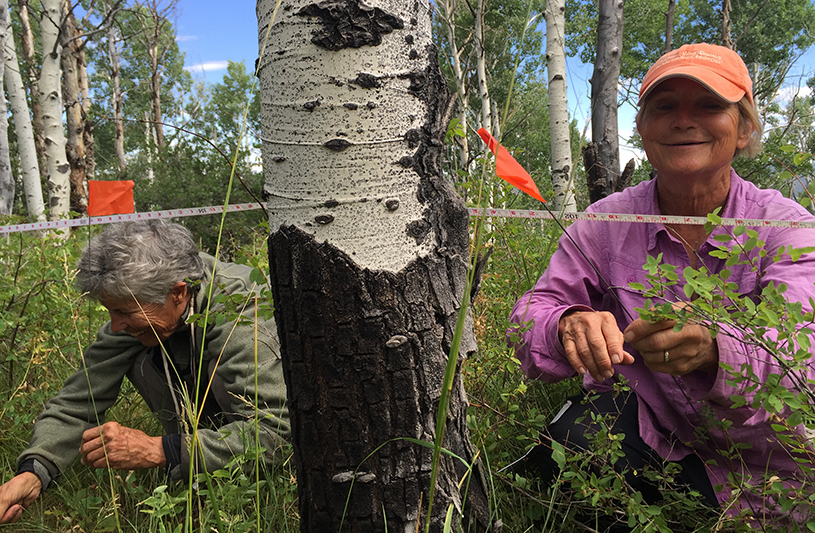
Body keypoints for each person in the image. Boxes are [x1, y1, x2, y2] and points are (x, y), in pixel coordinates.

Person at [508, 43, 815, 520]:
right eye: (665, 106)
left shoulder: (787, 227)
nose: (683, 120)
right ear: (644, 128)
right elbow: (532, 312)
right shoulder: (606, 222)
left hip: (777, 466)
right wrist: (568, 325)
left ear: (744, 128)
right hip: (665, 439)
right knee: (573, 438)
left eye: (710, 106)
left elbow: (805, 358)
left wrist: (716, 350)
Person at [0, 220, 290, 524]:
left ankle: (200, 461)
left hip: (270, 456)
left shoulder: (241, 313)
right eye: (110, 311)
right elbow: (78, 400)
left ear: (178, 293)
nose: (115, 325)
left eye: (124, 312)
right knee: (138, 351)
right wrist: (34, 471)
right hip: (205, 424)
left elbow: (278, 434)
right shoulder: (145, 304)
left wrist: (158, 450)